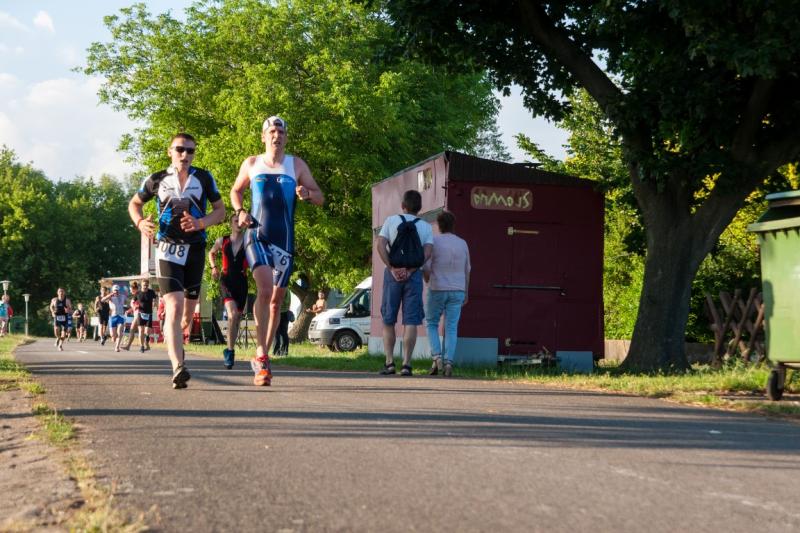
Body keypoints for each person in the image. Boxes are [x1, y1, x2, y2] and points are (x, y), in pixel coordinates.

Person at [230, 116, 324, 386]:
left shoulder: (296, 165)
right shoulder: (252, 163)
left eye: (281, 131)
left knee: (276, 301)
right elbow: (236, 191)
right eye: (272, 131)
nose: (276, 135)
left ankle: (263, 355)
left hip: (284, 240)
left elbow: (320, 197)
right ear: (264, 136)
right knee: (264, 290)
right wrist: (240, 211)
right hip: (256, 235)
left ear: (286, 137)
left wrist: (307, 194)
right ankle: (261, 356)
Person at [130, 132, 225, 389]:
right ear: (170, 152)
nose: (185, 155)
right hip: (167, 249)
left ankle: (180, 338)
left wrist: (201, 223)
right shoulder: (157, 179)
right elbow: (134, 204)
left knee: (187, 314)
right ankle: (177, 366)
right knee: (173, 304)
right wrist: (140, 223)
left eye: (190, 151)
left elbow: (220, 211)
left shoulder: (203, 178)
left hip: (195, 249)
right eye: (180, 149)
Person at [375, 190, 434, 376]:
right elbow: (427, 253)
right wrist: (411, 270)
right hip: (414, 277)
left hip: (392, 276)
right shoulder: (426, 227)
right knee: (411, 320)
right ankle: (407, 364)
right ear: (420, 208)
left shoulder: (391, 221)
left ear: (403, 205)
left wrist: (392, 268)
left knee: (388, 319)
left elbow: (380, 245)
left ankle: (389, 362)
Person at [423, 211, 471, 377]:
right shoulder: (462, 243)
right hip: (458, 289)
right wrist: (466, 291)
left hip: (437, 288)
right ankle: (449, 362)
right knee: (451, 327)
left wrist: (427, 279)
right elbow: (467, 270)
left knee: (431, 323)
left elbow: (426, 267)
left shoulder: (434, 242)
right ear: (453, 225)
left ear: (439, 225)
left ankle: (437, 357)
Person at [209, 214, 249, 369]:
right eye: (235, 221)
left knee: (237, 318)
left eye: (241, 221)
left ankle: (229, 348)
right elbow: (211, 253)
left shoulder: (249, 241)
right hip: (226, 280)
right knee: (232, 315)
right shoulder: (222, 240)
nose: (238, 223)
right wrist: (214, 267)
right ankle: (231, 352)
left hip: (241, 281)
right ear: (231, 224)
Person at [101, 284, 127, 352]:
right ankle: (107, 336)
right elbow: (102, 300)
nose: (116, 291)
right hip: (113, 317)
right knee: (113, 336)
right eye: (115, 290)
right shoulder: (110, 297)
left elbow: (127, 301)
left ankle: (117, 347)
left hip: (121, 316)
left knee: (120, 332)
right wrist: (110, 295)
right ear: (113, 291)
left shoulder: (122, 296)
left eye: (117, 290)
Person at [121, 281, 141, 351]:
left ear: (134, 289)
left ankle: (141, 346)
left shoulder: (138, 295)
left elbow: (141, 304)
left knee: (133, 329)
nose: (130, 291)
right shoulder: (135, 295)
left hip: (138, 314)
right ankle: (129, 346)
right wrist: (128, 311)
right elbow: (134, 306)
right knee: (136, 330)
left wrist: (136, 306)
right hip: (136, 314)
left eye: (131, 290)